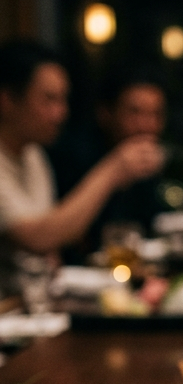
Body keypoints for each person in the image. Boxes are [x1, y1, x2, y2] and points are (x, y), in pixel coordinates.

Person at [0, 41, 164, 282]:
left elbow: (51, 246)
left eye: (63, 100)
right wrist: (114, 169)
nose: (60, 113)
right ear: (7, 100)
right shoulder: (72, 153)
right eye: (48, 100)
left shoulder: (33, 154)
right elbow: (38, 238)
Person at [48, 68, 169, 254]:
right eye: (135, 113)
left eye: (156, 114)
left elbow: (149, 223)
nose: (147, 125)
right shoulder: (73, 154)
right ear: (105, 113)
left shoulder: (147, 161)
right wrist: (114, 170)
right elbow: (72, 239)